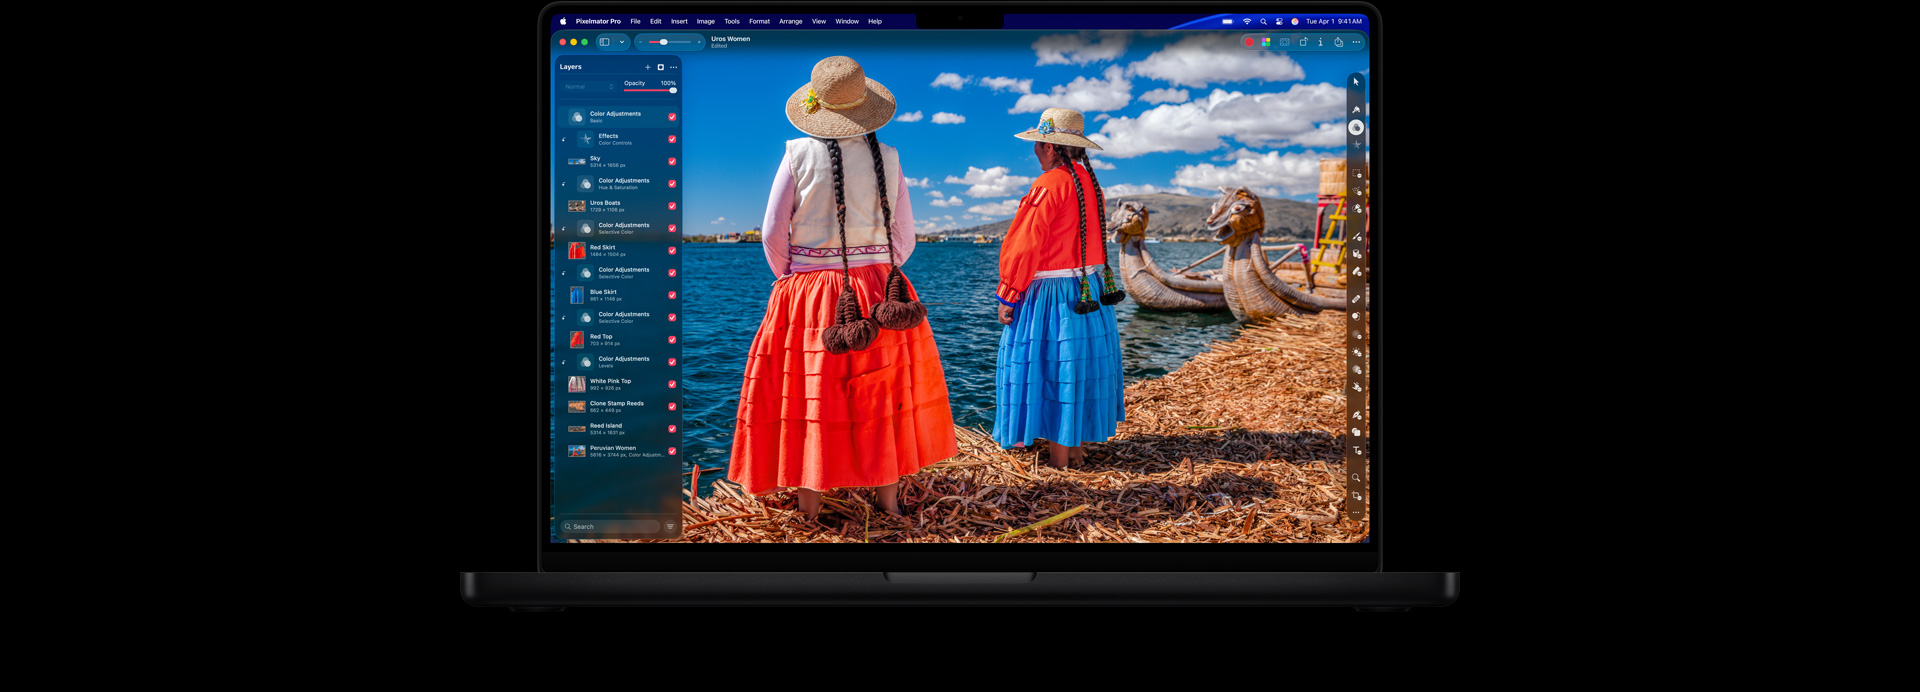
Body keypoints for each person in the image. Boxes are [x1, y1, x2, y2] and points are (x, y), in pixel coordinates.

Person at [728, 56, 958, 518]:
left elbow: (772, 231)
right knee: (883, 392)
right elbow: (905, 239)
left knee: (813, 393)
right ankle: (888, 503)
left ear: (817, 109)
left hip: (810, 290)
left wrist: (792, 280)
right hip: (881, 290)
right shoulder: (889, 157)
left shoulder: (796, 153)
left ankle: (810, 505)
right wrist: (876, 271)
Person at [993, 107, 1126, 468]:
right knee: (1077, 366)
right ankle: (1075, 451)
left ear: (1051, 147)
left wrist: (1009, 292)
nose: (1034, 150)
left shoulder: (1049, 183)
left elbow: (1026, 243)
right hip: (1089, 292)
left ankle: (1058, 461)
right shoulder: (1088, 182)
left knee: (1053, 368)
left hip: (1052, 297)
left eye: (1038, 143)